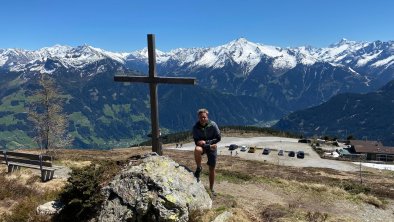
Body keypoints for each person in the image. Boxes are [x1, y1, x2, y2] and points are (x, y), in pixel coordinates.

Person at [192, 108, 221, 196]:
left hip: (212, 146)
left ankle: (211, 189)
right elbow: (197, 142)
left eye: (204, 117)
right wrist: (208, 145)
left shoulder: (213, 125)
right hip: (207, 147)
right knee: (197, 149)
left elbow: (218, 138)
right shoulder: (195, 128)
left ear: (207, 117)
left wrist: (207, 143)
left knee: (212, 168)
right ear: (198, 118)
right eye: (201, 117)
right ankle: (198, 168)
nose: (203, 119)